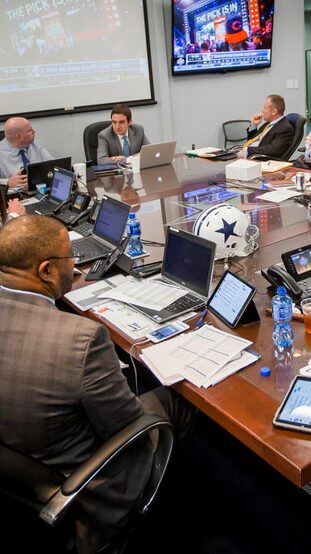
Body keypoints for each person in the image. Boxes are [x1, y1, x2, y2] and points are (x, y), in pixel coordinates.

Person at [0, 215, 192, 553]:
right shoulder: (80, 338)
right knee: (176, 400)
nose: (75, 264)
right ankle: (178, 514)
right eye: (69, 256)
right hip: (86, 486)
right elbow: (127, 424)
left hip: (20, 469)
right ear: (45, 271)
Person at [0, 116, 54, 189]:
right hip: (15, 196)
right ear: (19, 137)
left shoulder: (33, 143)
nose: (34, 132)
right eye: (30, 131)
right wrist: (7, 182)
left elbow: (53, 164)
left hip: (39, 189)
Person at [240, 94, 294, 159]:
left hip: (258, 160)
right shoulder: (268, 123)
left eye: (265, 108)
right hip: (247, 154)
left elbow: (273, 150)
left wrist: (248, 150)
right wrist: (253, 125)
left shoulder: (285, 128)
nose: (262, 110)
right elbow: (253, 140)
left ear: (274, 111)